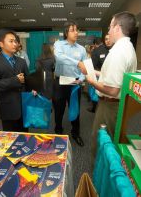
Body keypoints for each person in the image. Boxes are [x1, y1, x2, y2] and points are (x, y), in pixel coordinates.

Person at [81, 12, 137, 164]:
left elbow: (112, 90)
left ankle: (98, 183)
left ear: (117, 28)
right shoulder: (127, 47)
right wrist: (95, 72)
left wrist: (91, 81)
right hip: (116, 105)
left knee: (101, 144)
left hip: (109, 105)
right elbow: (114, 77)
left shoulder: (118, 52)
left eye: (110, 26)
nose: (109, 30)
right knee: (109, 142)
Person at [53, 20, 87, 146]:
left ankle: (76, 133)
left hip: (74, 83)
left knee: (75, 110)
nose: (76, 32)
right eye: (73, 30)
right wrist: (77, 63)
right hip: (60, 82)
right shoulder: (59, 45)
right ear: (66, 32)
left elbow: (85, 67)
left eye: (77, 30)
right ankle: (58, 130)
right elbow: (59, 58)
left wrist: (82, 79)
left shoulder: (82, 49)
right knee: (58, 109)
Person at [0, 29, 29, 132]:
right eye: (11, 41)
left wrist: (33, 88)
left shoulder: (21, 61)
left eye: (15, 41)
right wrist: (16, 80)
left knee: (24, 137)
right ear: (1, 44)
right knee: (11, 140)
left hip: (24, 106)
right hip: (8, 108)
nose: (15, 44)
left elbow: (27, 80)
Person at [87, 37, 109, 113]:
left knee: (94, 91)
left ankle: (94, 108)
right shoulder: (108, 49)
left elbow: (92, 65)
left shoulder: (95, 51)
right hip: (107, 73)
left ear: (95, 44)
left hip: (97, 73)